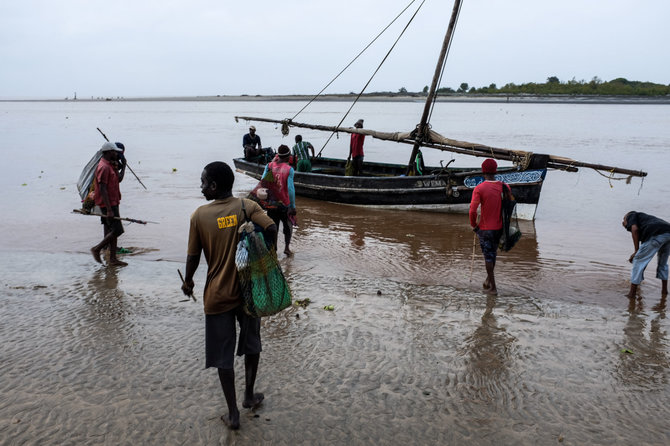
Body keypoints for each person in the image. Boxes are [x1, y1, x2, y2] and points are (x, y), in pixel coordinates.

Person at [181, 161, 277, 431]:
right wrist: (264, 259)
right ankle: (249, 395)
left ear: (213, 185)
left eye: (203, 182)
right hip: (248, 293)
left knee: (223, 357)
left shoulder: (199, 216)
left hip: (217, 296)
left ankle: (233, 413)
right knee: (252, 344)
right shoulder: (248, 206)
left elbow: (193, 256)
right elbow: (271, 230)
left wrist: (188, 282)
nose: (201, 187)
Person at [469, 158, 513, 295]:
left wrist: (474, 226)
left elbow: (472, 211)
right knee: (492, 254)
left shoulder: (479, 189)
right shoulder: (505, 187)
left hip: (485, 229)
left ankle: (493, 288)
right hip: (499, 228)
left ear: (483, 171)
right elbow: (509, 205)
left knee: (488, 257)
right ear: (495, 171)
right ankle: (488, 281)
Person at [90, 141, 128, 267]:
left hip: (114, 201)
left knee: (113, 230)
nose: (115, 153)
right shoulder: (104, 167)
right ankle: (97, 249)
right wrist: (109, 209)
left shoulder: (111, 165)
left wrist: (124, 166)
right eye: (113, 151)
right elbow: (102, 189)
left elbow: (118, 180)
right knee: (117, 230)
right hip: (108, 204)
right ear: (107, 152)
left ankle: (112, 259)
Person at [622, 211, 670, 299]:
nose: (625, 226)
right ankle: (664, 291)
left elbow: (634, 229)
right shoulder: (646, 223)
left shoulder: (631, 215)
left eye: (625, 224)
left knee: (637, 260)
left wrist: (636, 251)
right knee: (662, 264)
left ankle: (631, 294)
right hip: (668, 233)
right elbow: (644, 257)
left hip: (657, 233)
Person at [261, 144, 296, 255]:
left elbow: (263, 181)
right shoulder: (289, 169)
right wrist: (292, 206)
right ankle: (286, 248)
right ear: (287, 157)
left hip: (271, 203)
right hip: (284, 204)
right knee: (288, 226)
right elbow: (290, 189)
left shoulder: (269, 166)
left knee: (273, 226)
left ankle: (274, 248)